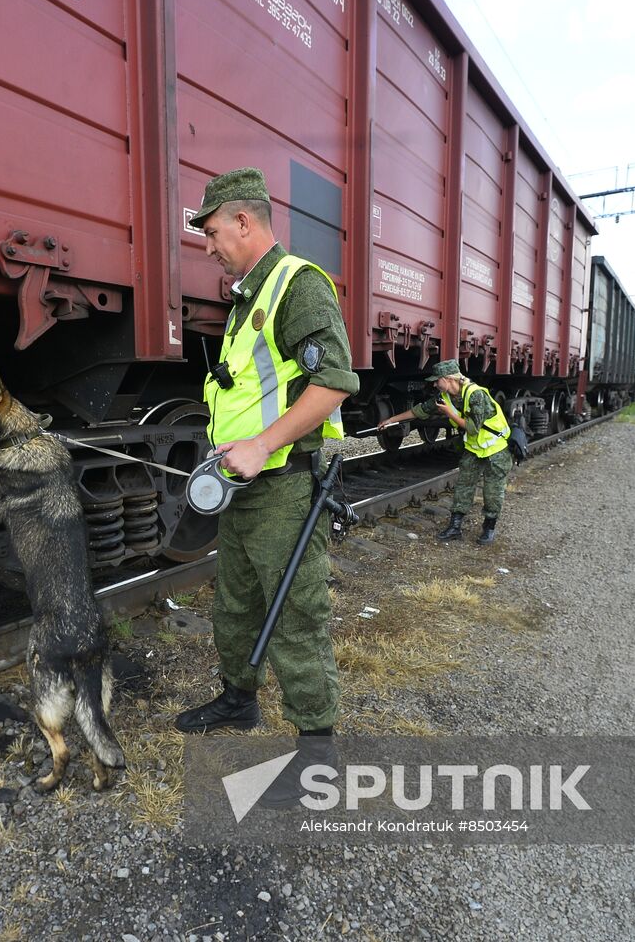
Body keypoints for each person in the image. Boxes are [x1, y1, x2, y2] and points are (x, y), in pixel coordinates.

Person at [173, 167, 358, 805]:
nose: (207, 243)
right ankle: (237, 701)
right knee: (237, 603)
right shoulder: (246, 298)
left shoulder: (296, 285)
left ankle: (318, 753)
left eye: (212, 229)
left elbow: (334, 381)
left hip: (282, 485)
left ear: (245, 222)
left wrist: (261, 444)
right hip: (243, 485)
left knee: (294, 613)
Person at [376, 359, 512, 544]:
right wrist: (391, 420)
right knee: (463, 487)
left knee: (492, 492)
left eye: (436, 380)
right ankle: (455, 527)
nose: (434, 384)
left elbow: (473, 429)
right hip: (474, 449)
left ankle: (489, 528)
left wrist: (449, 413)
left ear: (448, 379)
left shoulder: (476, 395)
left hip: (496, 450)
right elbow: (420, 411)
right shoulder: (445, 397)